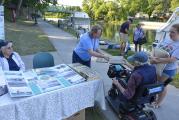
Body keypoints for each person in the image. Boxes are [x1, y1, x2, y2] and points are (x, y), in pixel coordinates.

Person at [150, 24, 179, 108]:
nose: (170, 33)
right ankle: (153, 98)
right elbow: (156, 48)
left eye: (173, 32)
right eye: (170, 31)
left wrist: (156, 60)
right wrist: (152, 56)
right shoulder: (166, 39)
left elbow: (172, 59)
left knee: (161, 85)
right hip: (157, 65)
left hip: (168, 70)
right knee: (155, 83)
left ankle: (158, 103)